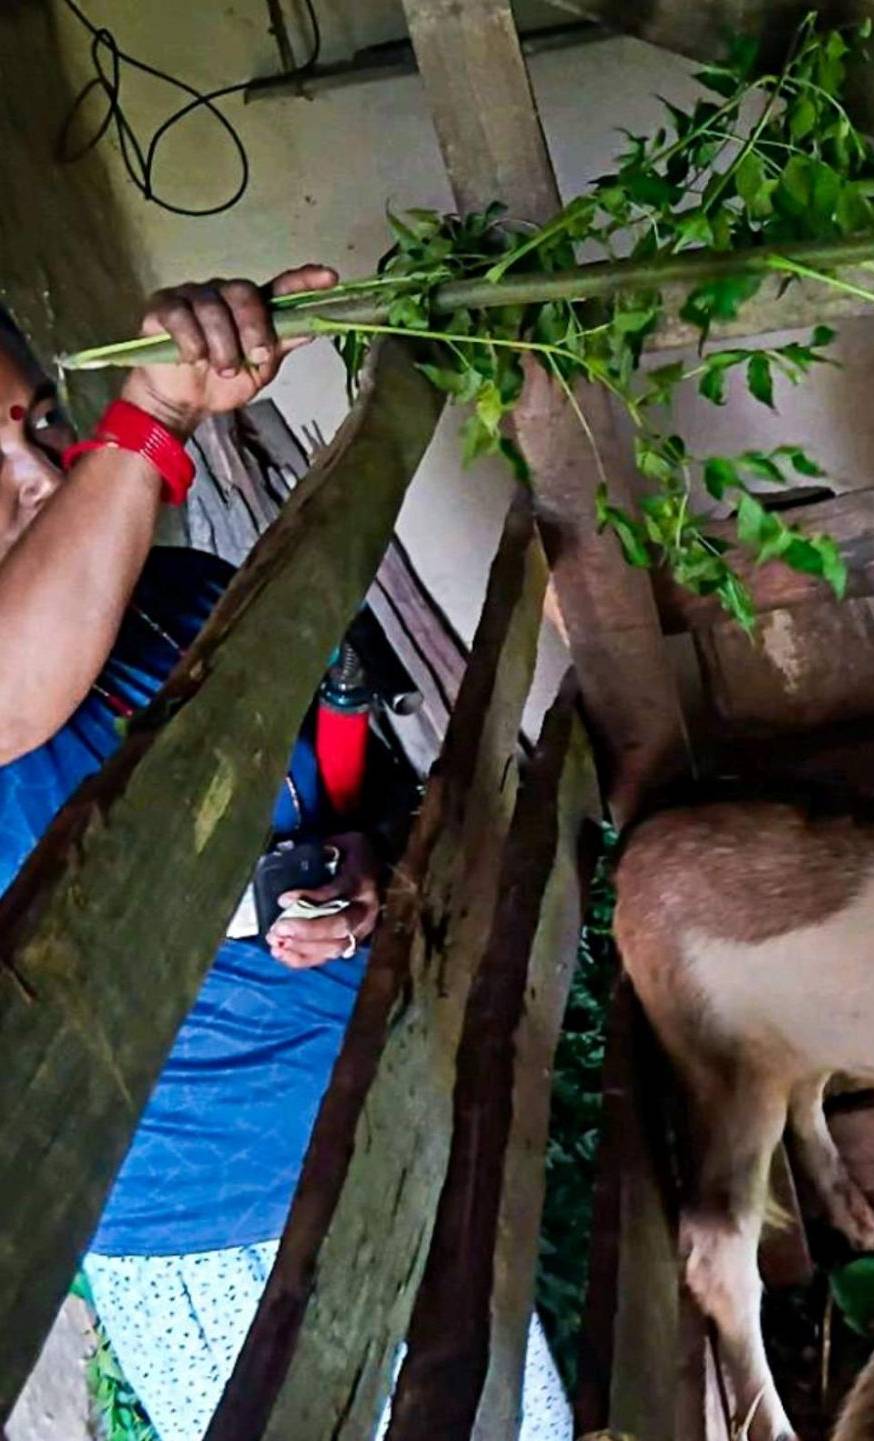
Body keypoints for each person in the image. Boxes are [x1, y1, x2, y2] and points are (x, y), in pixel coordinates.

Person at [0, 274, 573, 1441]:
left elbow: (338, 790)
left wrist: (354, 865)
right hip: (218, 1230)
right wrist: (148, 421)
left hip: (391, 1108)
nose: (43, 473)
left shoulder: (189, 596)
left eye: (36, 421)